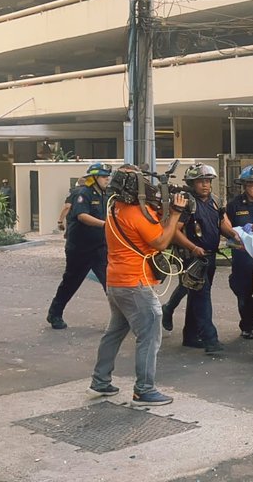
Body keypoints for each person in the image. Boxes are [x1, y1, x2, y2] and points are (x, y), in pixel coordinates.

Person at [89, 166, 188, 406]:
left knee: (115, 332)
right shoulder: (136, 213)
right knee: (150, 333)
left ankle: (101, 380)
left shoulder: (114, 209)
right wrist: (175, 214)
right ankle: (144, 390)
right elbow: (162, 242)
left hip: (117, 280)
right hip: (136, 283)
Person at [161, 163, 241, 355]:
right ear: (191, 183)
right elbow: (175, 232)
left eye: (207, 181)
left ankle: (190, 335)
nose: (205, 185)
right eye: (200, 181)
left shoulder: (214, 201)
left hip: (209, 257)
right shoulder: (187, 203)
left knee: (196, 297)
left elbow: (221, 223)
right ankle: (210, 339)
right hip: (193, 258)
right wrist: (193, 247)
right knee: (202, 297)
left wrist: (236, 236)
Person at [46, 163, 111, 330]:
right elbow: (82, 216)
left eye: (107, 176)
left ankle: (119, 320)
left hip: (99, 247)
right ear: (94, 178)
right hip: (80, 248)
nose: (107, 179)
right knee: (71, 282)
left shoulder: (105, 194)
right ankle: (55, 313)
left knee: (110, 283)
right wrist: (105, 225)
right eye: (104, 177)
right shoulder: (83, 193)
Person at [221, 164, 253, 339]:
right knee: (244, 291)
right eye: (252, 184)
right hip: (242, 254)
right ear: (245, 186)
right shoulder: (234, 205)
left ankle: (251, 318)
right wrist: (236, 239)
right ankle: (247, 325)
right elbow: (225, 230)